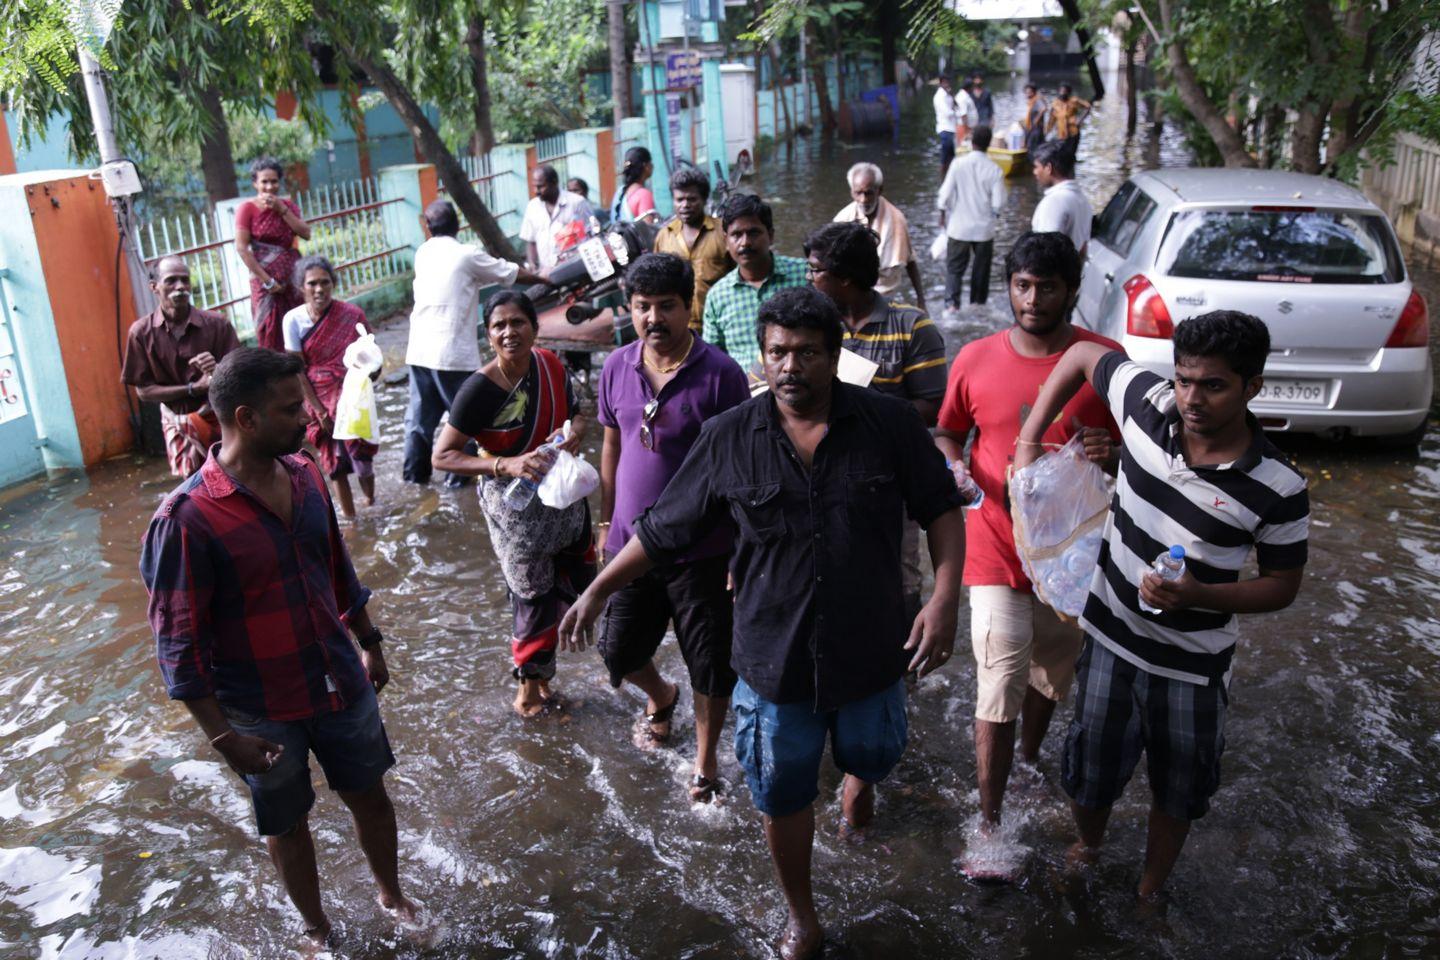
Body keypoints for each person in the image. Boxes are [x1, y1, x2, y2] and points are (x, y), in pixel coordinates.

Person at [559, 285, 967, 960]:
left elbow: (941, 508)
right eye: (778, 352)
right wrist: (599, 588)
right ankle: (802, 915)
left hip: (870, 643)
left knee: (872, 752)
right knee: (781, 791)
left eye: (806, 353)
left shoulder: (889, 424)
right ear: (762, 355)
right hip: (774, 656)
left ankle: (859, 787)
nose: (790, 367)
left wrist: (945, 599)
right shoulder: (729, 437)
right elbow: (663, 529)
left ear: (834, 355)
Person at [1014, 311, 1308, 899]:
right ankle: (1088, 845)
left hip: (1192, 665)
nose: (1192, 399)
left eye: (1213, 385)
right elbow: (1080, 356)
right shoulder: (1146, 405)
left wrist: (1201, 595)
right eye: (1184, 379)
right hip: (1110, 639)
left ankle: (1151, 890)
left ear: (1252, 387)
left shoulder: (1279, 486)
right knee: (1090, 769)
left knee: (1179, 789)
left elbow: (1282, 585)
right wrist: (1028, 442)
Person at [139, 347, 422, 948]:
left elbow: (336, 566)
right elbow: (178, 648)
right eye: (291, 409)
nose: (308, 417)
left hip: (339, 679)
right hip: (259, 709)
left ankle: (392, 894)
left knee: (370, 794)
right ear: (246, 418)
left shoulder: (306, 474)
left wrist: (369, 639)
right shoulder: (185, 519)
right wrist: (224, 738)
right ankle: (318, 931)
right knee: (287, 823)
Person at [933, 231, 1120, 863]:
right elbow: (948, 431)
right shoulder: (975, 358)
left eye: (1047, 287)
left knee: (1052, 671)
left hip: (1072, 555)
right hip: (993, 544)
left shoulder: (1105, 361)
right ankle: (989, 828)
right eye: (1022, 285)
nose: (1033, 299)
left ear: (1072, 290)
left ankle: (1030, 759)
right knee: (998, 677)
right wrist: (955, 465)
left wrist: (1112, 453)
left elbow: (1141, 453)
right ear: (1008, 287)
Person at [595, 253, 749, 802]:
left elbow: (738, 469)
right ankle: (661, 696)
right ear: (629, 308)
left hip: (702, 550)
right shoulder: (616, 366)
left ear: (689, 307)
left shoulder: (722, 375)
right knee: (616, 651)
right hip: (629, 544)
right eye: (642, 307)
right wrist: (605, 521)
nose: (653, 318)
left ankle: (705, 763)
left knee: (709, 664)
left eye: (666, 306)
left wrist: (739, 549)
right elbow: (611, 445)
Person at [432, 291, 594, 717]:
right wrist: (506, 464)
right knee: (532, 597)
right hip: (516, 512)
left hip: (562, 500)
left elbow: (578, 415)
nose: (509, 332)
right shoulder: (479, 389)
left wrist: (573, 433)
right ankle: (526, 694)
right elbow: (443, 456)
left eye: (518, 322)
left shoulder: (550, 365)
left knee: (568, 585)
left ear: (534, 328)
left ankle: (543, 684)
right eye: (499, 325)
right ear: (488, 336)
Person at [805, 221, 947, 620]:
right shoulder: (809, 326)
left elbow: (932, 407)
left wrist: (864, 408)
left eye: (816, 271)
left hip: (889, 478)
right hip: (819, 475)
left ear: (845, 278)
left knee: (898, 578)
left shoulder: (912, 326)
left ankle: (904, 652)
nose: (810, 279)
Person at [404, 200, 546, 486]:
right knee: (467, 424)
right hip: (452, 353)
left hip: (419, 350)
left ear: (427, 227)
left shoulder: (423, 252)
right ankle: (457, 486)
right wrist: (545, 278)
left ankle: (415, 481)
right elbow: (510, 273)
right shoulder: (466, 255)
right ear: (458, 225)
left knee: (418, 423)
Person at [121, 255, 241, 477]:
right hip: (176, 421)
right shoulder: (141, 333)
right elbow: (144, 392)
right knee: (192, 484)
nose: (180, 286)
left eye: (185, 280)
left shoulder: (217, 324)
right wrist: (193, 389)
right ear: (154, 287)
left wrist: (216, 370)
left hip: (219, 417)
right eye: (171, 280)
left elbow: (241, 376)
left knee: (234, 476)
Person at [282, 256, 379, 520]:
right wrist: (319, 411)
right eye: (312, 284)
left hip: (353, 396)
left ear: (333, 284)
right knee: (334, 463)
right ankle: (351, 518)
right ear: (301, 287)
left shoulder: (352, 315)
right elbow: (297, 369)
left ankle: (371, 504)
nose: (319, 289)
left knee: (362, 458)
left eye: (325, 282)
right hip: (317, 398)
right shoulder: (292, 320)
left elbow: (371, 357)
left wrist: (371, 372)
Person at [701, 193, 808, 375]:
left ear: (771, 235)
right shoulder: (718, 296)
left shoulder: (804, 274)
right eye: (736, 235)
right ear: (726, 241)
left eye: (753, 233)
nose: (745, 243)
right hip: (744, 389)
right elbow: (713, 358)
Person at [235, 156, 311, 352]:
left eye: (274, 181)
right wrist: (267, 281)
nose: (269, 187)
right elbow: (242, 248)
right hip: (265, 283)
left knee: (300, 324)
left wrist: (282, 210)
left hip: (293, 277)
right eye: (264, 182)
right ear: (255, 183)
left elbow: (306, 234)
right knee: (270, 330)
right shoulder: (247, 209)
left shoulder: (287, 206)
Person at [832, 162, 927, 312]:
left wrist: (921, 301)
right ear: (851, 192)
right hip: (853, 297)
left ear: (879, 190)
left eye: (868, 193)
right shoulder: (842, 220)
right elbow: (832, 265)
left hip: (886, 296)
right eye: (858, 193)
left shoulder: (896, 219)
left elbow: (910, 261)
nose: (863, 199)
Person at [653, 166, 733, 331]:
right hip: (678, 327)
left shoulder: (723, 233)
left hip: (719, 322)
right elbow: (657, 283)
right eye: (679, 200)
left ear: (704, 199)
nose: (685, 205)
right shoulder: (664, 236)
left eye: (692, 199)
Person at [936, 124, 1006, 311]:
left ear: (972, 142)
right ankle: (977, 305)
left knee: (954, 269)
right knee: (981, 271)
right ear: (989, 144)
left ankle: (952, 306)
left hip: (959, 228)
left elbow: (944, 195)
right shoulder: (995, 170)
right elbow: (999, 203)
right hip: (984, 230)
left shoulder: (958, 164)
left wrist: (942, 215)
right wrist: (993, 216)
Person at [521, 164, 595, 272]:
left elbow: (591, 237)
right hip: (545, 272)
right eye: (534, 186)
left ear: (554, 182)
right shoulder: (532, 207)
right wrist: (532, 263)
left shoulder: (577, 203)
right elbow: (531, 241)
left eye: (541, 186)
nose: (536, 191)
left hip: (575, 270)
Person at [1031, 141, 1093, 258]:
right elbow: (1083, 250)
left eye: (1036, 167)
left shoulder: (1054, 202)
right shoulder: (1083, 200)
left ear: (1048, 168)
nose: (1034, 172)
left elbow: (1046, 251)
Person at [612, 146, 658, 224]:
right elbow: (648, 228)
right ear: (645, 166)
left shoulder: (620, 193)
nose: (652, 165)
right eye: (650, 162)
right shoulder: (644, 195)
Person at [1046, 83, 1092, 157]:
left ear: (1068, 93)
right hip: (1061, 132)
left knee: (1071, 153)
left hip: (1073, 131)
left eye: (1065, 91)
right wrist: (1047, 131)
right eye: (1061, 91)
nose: (1063, 93)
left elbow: (1088, 106)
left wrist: (1080, 120)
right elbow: (1052, 119)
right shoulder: (1055, 103)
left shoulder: (1074, 101)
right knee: (1061, 152)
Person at [934, 75, 959, 174]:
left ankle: (948, 175)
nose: (947, 84)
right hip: (945, 128)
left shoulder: (948, 95)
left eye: (948, 82)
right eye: (944, 82)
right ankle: (942, 175)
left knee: (951, 156)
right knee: (944, 158)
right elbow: (947, 113)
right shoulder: (939, 96)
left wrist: (952, 96)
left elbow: (956, 106)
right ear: (941, 83)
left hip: (951, 128)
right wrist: (956, 113)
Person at [1020, 83, 1049, 152]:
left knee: (1033, 147)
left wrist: (1037, 119)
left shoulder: (1037, 100)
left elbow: (1044, 108)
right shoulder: (1031, 102)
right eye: (1026, 92)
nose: (1027, 94)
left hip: (1036, 129)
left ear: (1033, 92)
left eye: (1029, 92)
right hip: (1032, 128)